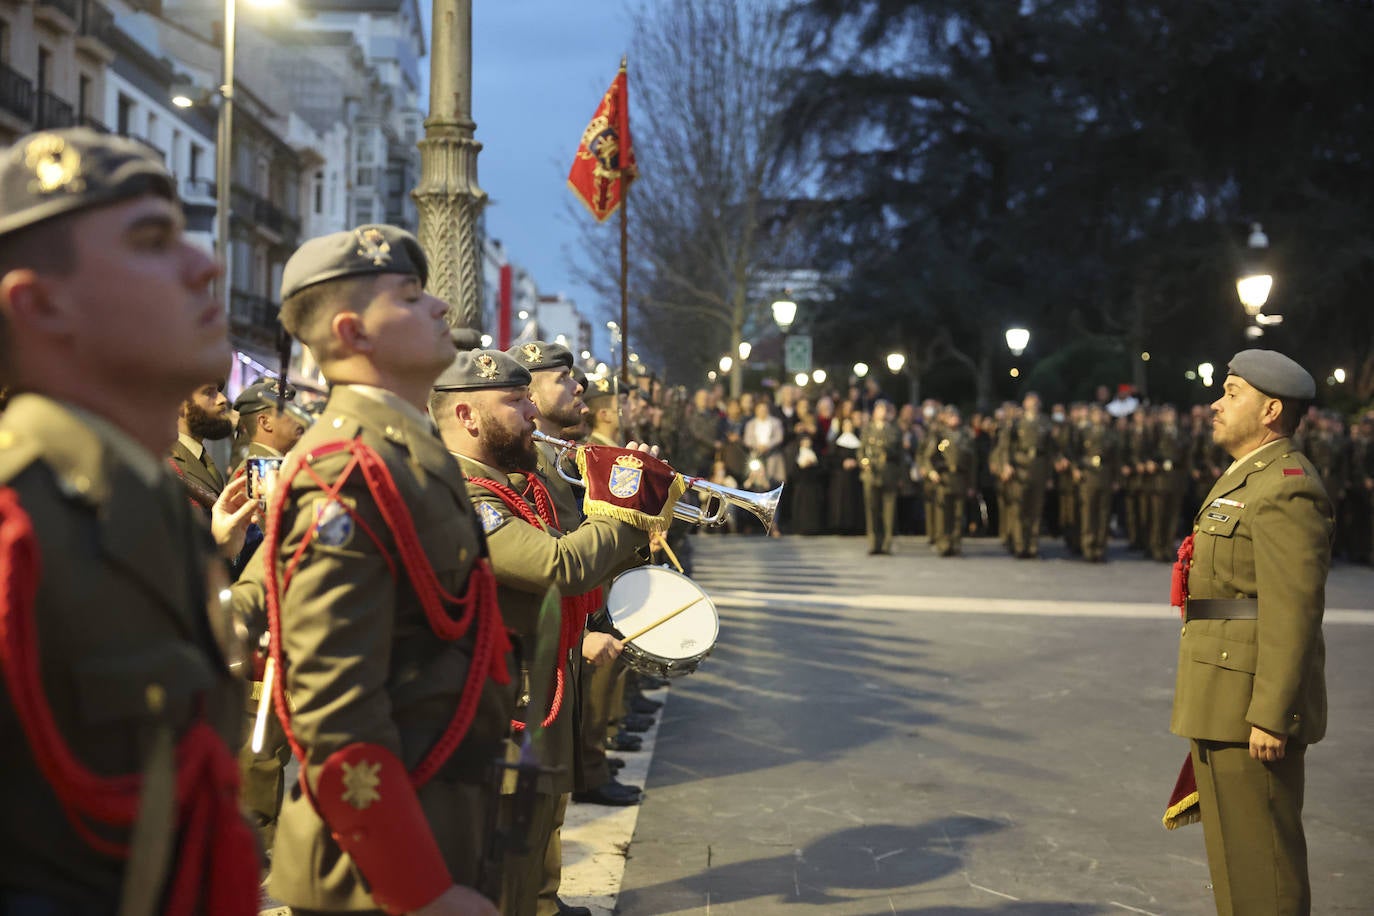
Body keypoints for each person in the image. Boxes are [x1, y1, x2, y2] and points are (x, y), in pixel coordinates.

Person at [0, 128, 258, 913]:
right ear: (40, 304)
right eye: (152, 242)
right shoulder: (19, 525)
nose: (206, 265)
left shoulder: (141, 500)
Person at [240, 225, 505, 915]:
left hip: (436, 809)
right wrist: (416, 887)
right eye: (412, 298)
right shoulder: (348, 473)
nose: (442, 308)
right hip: (376, 863)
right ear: (354, 332)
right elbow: (333, 703)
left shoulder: (404, 447)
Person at [433, 349, 660, 916]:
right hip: (503, 699)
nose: (531, 410)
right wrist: (624, 508)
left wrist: (633, 506)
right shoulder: (465, 494)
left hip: (535, 684)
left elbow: (572, 569)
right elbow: (558, 567)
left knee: (538, 831)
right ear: (466, 416)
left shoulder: (514, 485)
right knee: (510, 849)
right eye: (514, 400)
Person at [1170, 349, 1332, 916]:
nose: (1217, 403)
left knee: (1265, 869)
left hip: (1251, 710)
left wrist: (1272, 712)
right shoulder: (1250, 476)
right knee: (1237, 865)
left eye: (1232, 392)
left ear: (1271, 410)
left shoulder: (1287, 486)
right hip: (1221, 692)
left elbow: (1293, 611)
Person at [919, 405, 975, 556]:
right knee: (943, 513)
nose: (954, 419)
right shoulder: (939, 435)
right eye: (951, 416)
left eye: (956, 416)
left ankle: (955, 544)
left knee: (958, 514)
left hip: (960, 477)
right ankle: (943, 544)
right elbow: (928, 456)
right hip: (944, 477)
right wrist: (931, 472)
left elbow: (972, 462)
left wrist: (971, 484)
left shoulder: (965, 435)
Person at [168, 379, 232, 511]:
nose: (222, 399)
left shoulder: (202, 458)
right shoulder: (169, 464)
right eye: (209, 392)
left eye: (218, 391)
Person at [858, 399, 903, 554]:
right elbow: (861, 450)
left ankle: (886, 543)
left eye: (885, 409)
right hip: (871, 473)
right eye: (879, 409)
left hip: (889, 472)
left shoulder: (894, 430)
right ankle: (873, 543)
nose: (882, 412)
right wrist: (863, 462)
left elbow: (900, 455)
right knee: (872, 509)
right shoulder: (867, 429)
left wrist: (900, 476)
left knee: (889, 510)